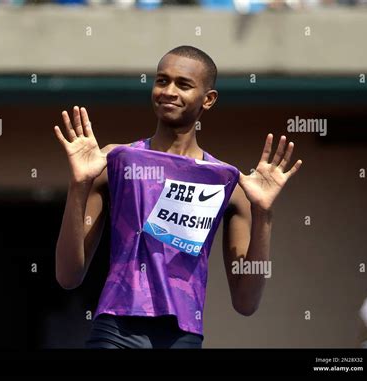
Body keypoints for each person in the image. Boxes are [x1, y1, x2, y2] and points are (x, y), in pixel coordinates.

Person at [53, 45, 302, 349]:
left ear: (208, 100)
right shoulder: (116, 161)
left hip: (183, 337)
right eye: (161, 81)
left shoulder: (226, 180)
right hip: (116, 330)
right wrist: (79, 184)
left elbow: (246, 302)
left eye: (183, 84)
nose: (169, 91)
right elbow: (68, 275)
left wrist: (263, 213)